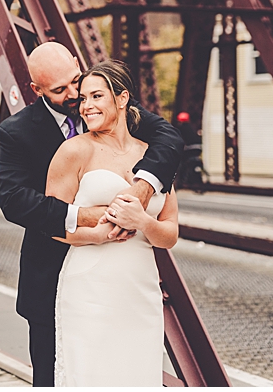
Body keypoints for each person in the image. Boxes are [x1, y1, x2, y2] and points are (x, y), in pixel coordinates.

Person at [0, 42, 183, 387]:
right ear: (37, 90)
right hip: (55, 270)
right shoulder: (16, 132)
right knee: (58, 375)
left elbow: (170, 140)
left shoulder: (121, 112)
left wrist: (141, 195)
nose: (76, 97)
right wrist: (91, 217)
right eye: (60, 90)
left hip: (132, 281)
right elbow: (15, 200)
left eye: (76, 83)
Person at [47, 60, 179, 386]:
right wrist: (98, 236)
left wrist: (143, 222)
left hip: (141, 291)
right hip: (90, 288)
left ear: (121, 99)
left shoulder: (153, 157)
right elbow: (51, 224)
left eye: (97, 96)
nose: (87, 106)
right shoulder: (73, 151)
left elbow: (170, 234)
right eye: (83, 98)